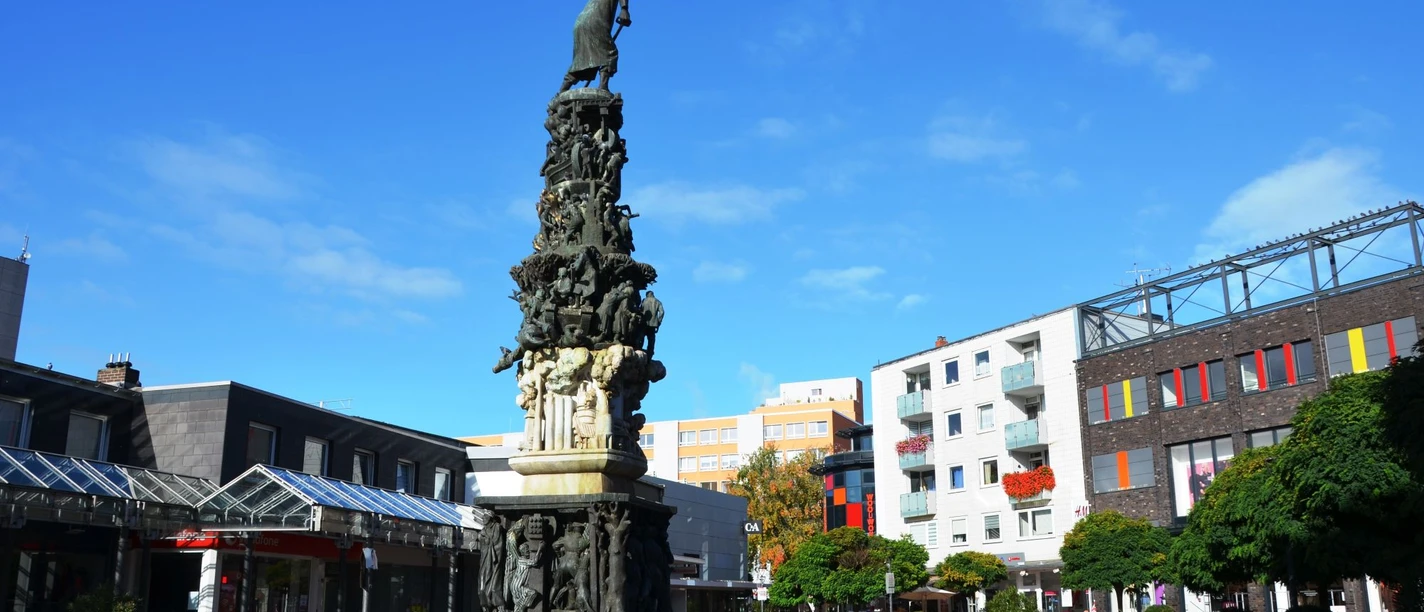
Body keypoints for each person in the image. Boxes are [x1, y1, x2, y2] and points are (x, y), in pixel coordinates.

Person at [560, 0, 632, 91]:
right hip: (595, 22)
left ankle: (561, 91)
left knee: (582, 60)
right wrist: (624, 9)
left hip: (580, 22)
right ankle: (603, 87)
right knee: (610, 53)